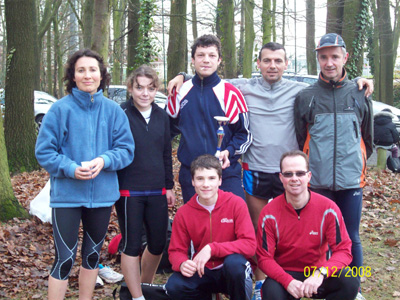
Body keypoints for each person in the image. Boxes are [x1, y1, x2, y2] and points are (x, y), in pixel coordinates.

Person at [167, 41, 373, 300]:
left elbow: (329, 82)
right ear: (258, 64)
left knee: (306, 226)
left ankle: (337, 280)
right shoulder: (244, 87)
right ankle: (261, 281)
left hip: (290, 172)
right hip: (256, 168)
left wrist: (357, 80)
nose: (272, 65)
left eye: (278, 61)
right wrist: (183, 76)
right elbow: (208, 74)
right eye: (266, 60)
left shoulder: (301, 89)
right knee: (257, 228)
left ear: (287, 64)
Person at [35, 49, 135, 300]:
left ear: (101, 76)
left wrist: (105, 160)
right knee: (65, 259)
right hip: (67, 196)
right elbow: (44, 151)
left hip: (101, 196)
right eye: (81, 70)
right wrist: (70, 168)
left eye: (93, 70)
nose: (87, 75)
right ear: (73, 76)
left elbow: (126, 150)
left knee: (92, 256)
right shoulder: (59, 110)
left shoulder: (114, 111)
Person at [294, 33, 373, 300]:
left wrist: (357, 163)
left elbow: (367, 137)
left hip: (351, 180)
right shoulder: (306, 96)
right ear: (317, 58)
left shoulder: (360, 92)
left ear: (345, 58)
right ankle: (322, 286)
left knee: (350, 236)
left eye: (335, 56)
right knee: (321, 238)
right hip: (317, 181)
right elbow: (300, 138)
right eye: (324, 57)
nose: (329, 62)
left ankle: (354, 288)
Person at [256, 150, 360, 300]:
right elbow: (264, 258)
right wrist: (287, 281)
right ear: (281, 177)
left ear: (309, 176)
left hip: (318, 273)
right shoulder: (269, 213)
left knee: (349, 282)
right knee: (270, 292)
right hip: (286, 273)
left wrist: (321, 273)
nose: (294, 179)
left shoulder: (328, 208)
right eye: (288, 174)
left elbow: (344, 250)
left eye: (300, 173)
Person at [166, 34, 252, 203]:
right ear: (192, 59)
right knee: (198, 227)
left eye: (212, 55)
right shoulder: (180, 91)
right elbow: (165, 131)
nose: (206, 60)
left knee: (233, 224)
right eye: (200, 55)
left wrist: (230, 151)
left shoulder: (231, 93)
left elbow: (244, 134)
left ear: (219, 60)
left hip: (226, 173)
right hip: (192, 175)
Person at [115, 65, 176, 300]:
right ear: (131, 88)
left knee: (158, 243)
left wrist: (169, 186)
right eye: (139, 87)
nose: (144, 93)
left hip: (157, 189)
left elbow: (165, 153)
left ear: (156, 90)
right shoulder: (121, 114)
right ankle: (136, 296)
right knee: (131, 244)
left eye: (150, 88)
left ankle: (144, 286)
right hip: (129, 190)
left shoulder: (162, 116)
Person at [165, 154, 256, 300]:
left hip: (231, 271)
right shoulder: (184, 213)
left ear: (220, 180)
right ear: (193, 181)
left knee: (235, 265)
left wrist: (212, 248)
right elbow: (176, 251)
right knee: (174, 286)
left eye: (211, 178)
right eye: (200, 179)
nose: (206, 184)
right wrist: (181, 263)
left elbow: (250, 245)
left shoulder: (236, 204)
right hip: (202, 270)